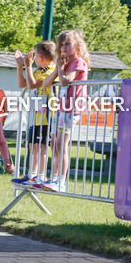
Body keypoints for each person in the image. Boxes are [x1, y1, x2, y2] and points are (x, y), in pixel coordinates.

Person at [41, 29, 90, 193]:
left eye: (67, 44)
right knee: (54, 143)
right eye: (61, 45)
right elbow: (46, 83)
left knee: (62, 144)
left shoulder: (79, 63)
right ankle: (54, 177)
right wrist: (58, 68)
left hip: (71, 109)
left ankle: (61, 181)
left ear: (78, 45)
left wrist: (61, 70)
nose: (63, 48)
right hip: (60, 109)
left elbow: (64, 81)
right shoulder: (64, 64)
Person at [12, 41, 57, 186]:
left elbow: (31, 85)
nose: (33, 58)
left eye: (35, 55)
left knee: (41, 147)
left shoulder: (51, 71)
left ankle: (41, 176)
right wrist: (20, 66)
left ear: (41, 58)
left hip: (47, 118)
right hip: (37, 116)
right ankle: (32, 174)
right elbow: (22, 84)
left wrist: (28, 66)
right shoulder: (39, 71)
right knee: (33, 145)